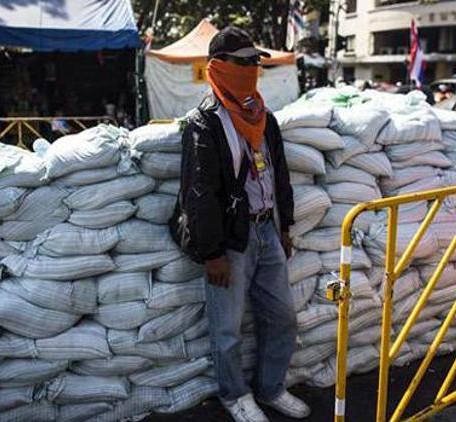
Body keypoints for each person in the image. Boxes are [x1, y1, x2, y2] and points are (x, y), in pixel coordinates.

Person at [169, 26, 309, 422]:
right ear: (218, 67)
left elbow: (279, 177)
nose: (251, 69)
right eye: (243, 62)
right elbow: (199, 193)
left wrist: (284, 227)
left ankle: (271, 388)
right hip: (232, 240)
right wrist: (212, 253)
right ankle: (235, 396)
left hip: (267, 229)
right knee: (227, 329)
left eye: (254, 63)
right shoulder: (206, 123)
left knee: (282, 317)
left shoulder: (264, 119)